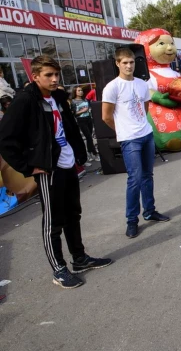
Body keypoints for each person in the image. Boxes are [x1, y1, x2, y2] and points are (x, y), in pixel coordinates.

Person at [0, 55, 112, 289]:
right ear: (35, 76)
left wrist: (80, 153)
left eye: (56, 75)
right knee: (53, 220)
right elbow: (6, 139)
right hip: (47, 168)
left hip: (68, 163)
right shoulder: (25, 101)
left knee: (73, 213)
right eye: (48, 75)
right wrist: (28, 166)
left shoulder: (59, 97)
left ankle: (79, 259)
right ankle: (59, 269)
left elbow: (70, 127)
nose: (54, 80)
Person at [102, 48, 170, 238]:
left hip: (146, 135)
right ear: (117, 64)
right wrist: (123, 131)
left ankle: (150, 211)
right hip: (129, 139)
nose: (129, 66)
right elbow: (106, 117)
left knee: (148, 175)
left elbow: (145, 108)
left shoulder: (142, 84)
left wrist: (140, 126)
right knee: (135, 179)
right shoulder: (112, 87)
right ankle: (132, 220)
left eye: (131, 62)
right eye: (125, 63)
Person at [71, 86, 100, 162]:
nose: (81, 92)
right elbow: (73, 113)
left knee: (89, 137)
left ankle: (90, 153)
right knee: (89, 137)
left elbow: (89, 108)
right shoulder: (73, 102)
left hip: (88, 119)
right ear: (75, 92)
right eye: (79, 90)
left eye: (81, 90)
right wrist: (82, 111)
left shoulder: (85, 100)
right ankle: (94, 153)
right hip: (81, 120)